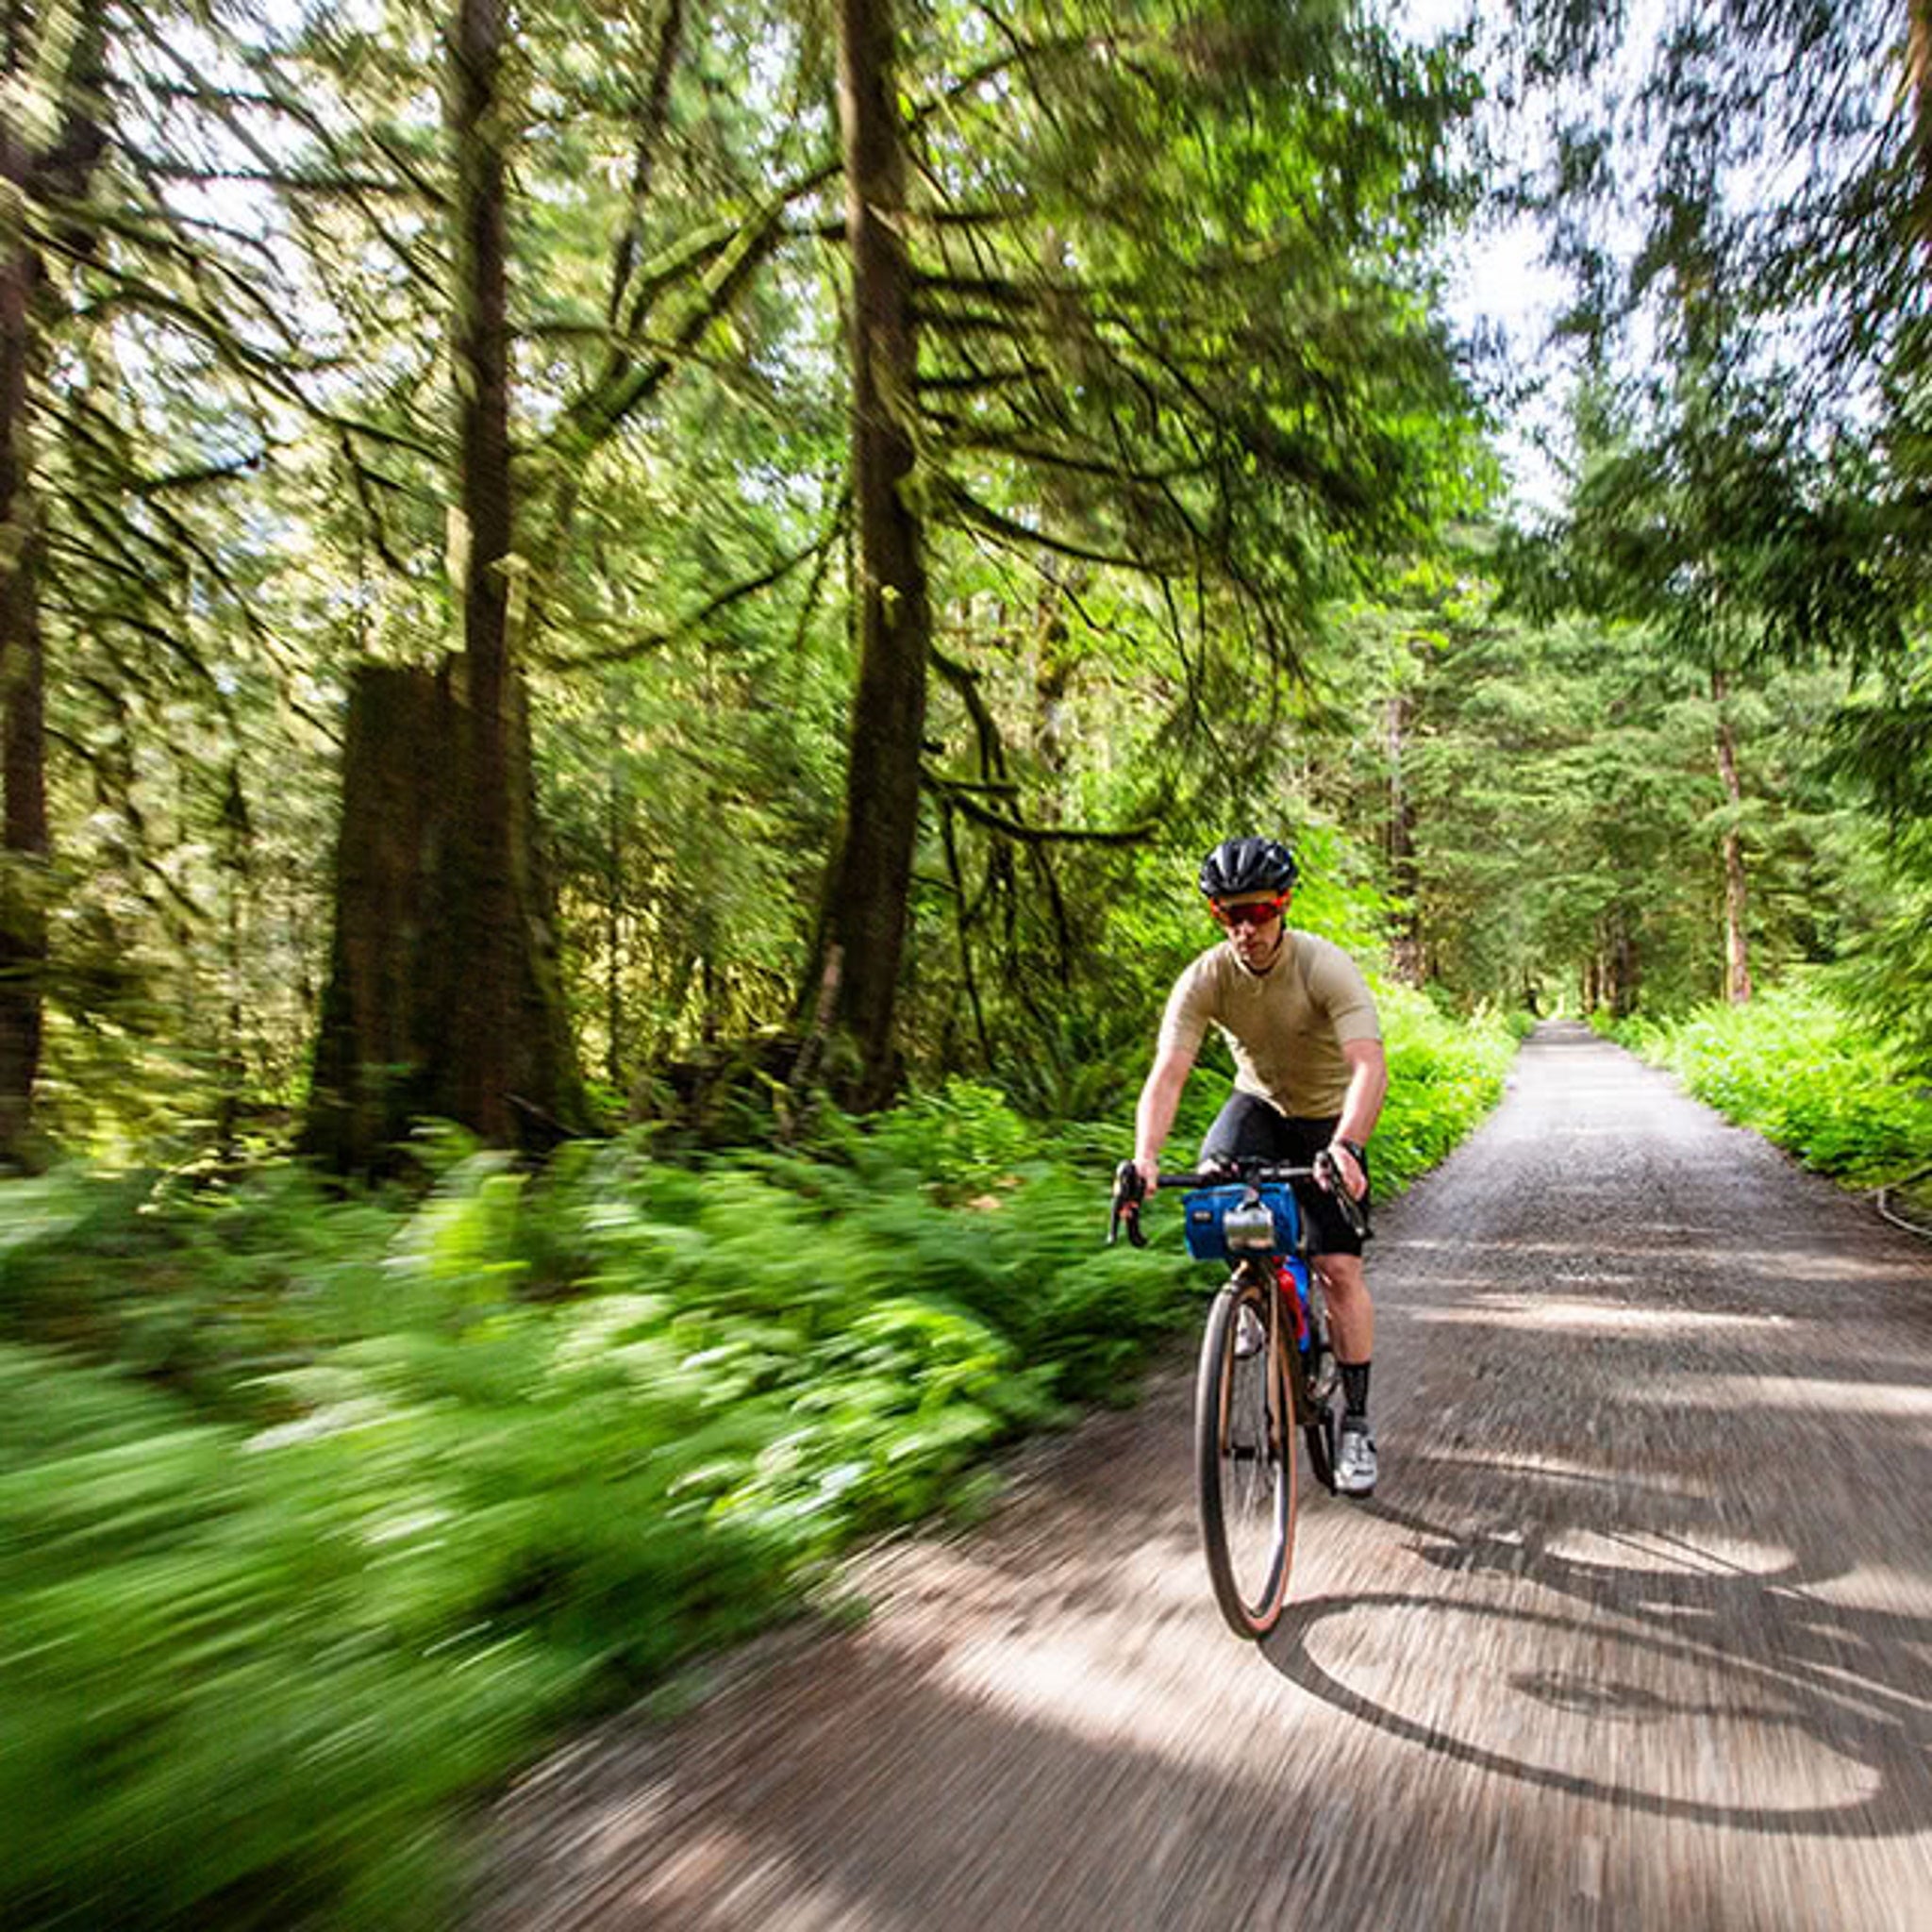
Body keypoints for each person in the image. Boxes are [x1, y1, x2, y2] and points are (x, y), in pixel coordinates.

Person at [1132, 835, 1389, 1495]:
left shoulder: (1323, 968)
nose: (1245, 929)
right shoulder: (1206, 977)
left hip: (1330, 1118)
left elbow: (1368, 1065)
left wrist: (1349, 1146)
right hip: (1261, 1106)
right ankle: (1258, 1293)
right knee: (1215, 1186)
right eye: (1229, 916)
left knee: (1337, 1269)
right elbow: (1168, 1076)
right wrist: (1145, 1160)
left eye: (1258, 912)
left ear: (1283, 906)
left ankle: (1355, 1424)